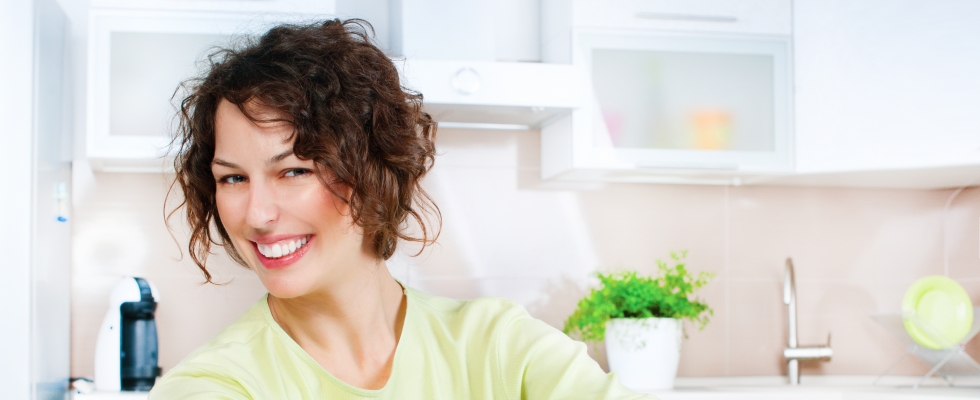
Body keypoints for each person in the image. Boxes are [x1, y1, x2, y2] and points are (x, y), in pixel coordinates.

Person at [150, 19, 656, 399]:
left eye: (295, 171)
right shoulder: (214, 384)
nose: (257, 214)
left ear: (372, 171)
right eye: (233, 178)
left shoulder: (500, 346)